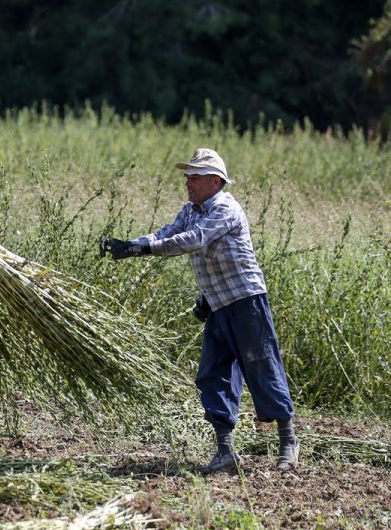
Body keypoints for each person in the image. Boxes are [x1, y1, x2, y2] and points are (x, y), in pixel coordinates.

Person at [101, 148, 299, 473]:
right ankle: (225, 452)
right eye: (187, 176)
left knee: (261, 366)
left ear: (214, 180)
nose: (188, 182)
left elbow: (194, 240)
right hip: (218, 303)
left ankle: (288, 441)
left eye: (194, 176)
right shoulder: (190, 209)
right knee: (213, 374)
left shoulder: (225, 209)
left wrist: (144, 249)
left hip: (246, 301)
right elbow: (169, 232)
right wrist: (132, 243)